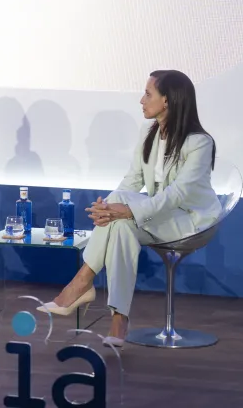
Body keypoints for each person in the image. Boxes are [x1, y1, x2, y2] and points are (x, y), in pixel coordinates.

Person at [37, 69, 221, 347]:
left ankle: (81, 283)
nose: (141, 100)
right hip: (158, 218)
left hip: (191, 223)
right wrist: (110, 207)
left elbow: (177, 193)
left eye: (148, 94)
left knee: (123, 216)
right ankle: (119, 319)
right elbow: (132, 181)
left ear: (168, 100)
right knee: (120, 225)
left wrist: (125, 209)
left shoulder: (199, 143)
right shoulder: (149, 136)